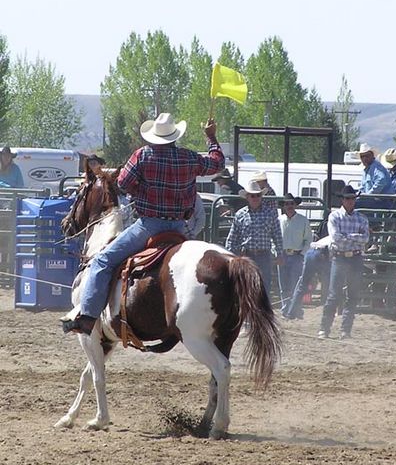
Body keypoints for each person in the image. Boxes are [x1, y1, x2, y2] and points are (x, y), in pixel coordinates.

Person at [62, 113, 225, 335]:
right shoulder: (189, 158)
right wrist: (211, 138)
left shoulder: (142, 156)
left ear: (154, 136)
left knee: (102, 260)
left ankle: (88, 317)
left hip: (149, 226)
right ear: (175, 136)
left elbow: (123, 183)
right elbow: (217, 163)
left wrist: (142, 190)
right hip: (179, 228)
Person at [319, 185, 370, 340]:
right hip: (340, 257)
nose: (350, 201)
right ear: (342, 200)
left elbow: (365, 238)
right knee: (334, 294)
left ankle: (345, 330)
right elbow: (335, 238)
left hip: (354, 257)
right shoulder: (335, 216)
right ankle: (325, 328)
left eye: (352, 199)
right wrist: (355, 236)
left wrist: (346, 236)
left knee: (352, 295)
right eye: (347, 198)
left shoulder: (361, 218)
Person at [225, 180, 283, 295]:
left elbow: (277, 235)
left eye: (258, 195)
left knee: (264, 286)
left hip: (264, 255)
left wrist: (280, 254)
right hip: (246, 255)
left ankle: (264, 312)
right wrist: (229, 256)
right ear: (247, 197)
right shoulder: (240, 215)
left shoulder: (270, 213)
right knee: (245, 286)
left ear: (261, 196)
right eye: (252, 195)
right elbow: (232, 237)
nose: (255, 198)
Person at [277, 193, 313, 316]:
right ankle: (285, 309)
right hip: (282, 255)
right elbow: (273, 238)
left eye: (291, 203)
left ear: (295, 205)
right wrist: (276, 253)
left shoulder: (303, 220)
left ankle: (295, 310)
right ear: (284, 206)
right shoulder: (279, 220)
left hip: (297, 256)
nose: (289, 206)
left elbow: (308, 239)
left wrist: (302, 254)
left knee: (296, 285)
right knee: (283, 285)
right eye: (287, 204)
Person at [283, 235, 331, 320]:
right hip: (323, 253)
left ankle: (291, 313)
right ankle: (332, 312)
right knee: (331, 284)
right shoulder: (346, 239)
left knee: (302, 285)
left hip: (313, 252)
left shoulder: (337, 235)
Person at [355, 143, 393, 209]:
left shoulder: (376, 167)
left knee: (356, 204)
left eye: (367, 156)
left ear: (372, 155)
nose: (364, 158)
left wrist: (369, 195)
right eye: (362, 156)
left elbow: (381, 180)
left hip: (382, 201)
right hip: (374, 201)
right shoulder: (367, 170)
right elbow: (363, 187)